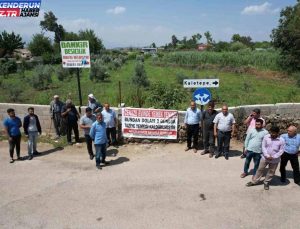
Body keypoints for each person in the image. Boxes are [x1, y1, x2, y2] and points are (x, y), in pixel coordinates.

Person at [246, 126, 285, 190]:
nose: (272, 134)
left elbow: (281, 150)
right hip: (264, 157)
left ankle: (266, 182)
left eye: (274, 133)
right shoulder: (266, 137)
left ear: (278, 133)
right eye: (271, 132)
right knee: (260, 169)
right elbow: (263, 146)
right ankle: (254, 181)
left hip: (275, 160)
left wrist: (273, 157)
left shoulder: (281, 140)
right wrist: (266, 155)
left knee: (271, 171)